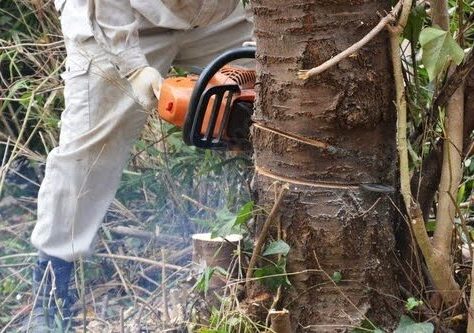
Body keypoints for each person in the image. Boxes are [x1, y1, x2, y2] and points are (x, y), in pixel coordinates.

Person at [28, 0, 253, 330]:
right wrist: (133, 66)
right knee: (92, 148)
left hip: (220, 17)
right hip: (116, 15)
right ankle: (51, 293)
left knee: (283, 88)